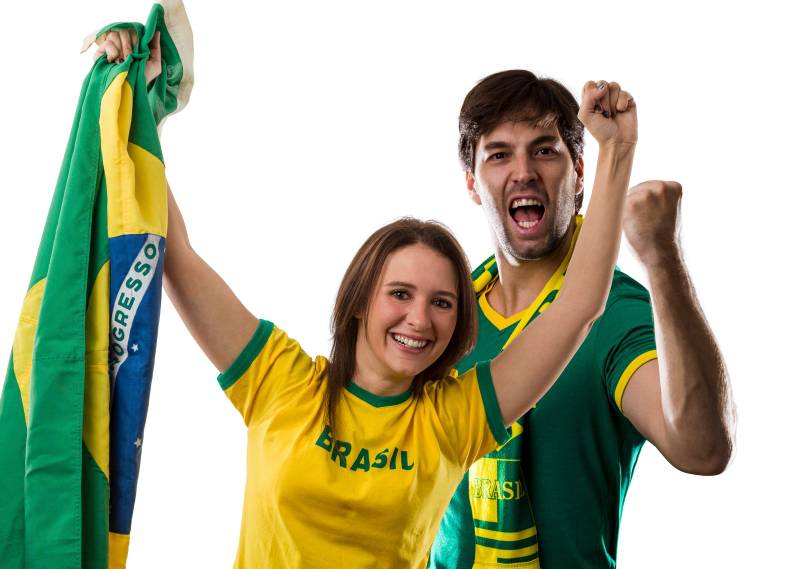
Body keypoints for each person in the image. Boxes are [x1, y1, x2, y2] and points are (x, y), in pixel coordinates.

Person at [95, 34, 637, 567]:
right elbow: (175, 255)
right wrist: (137, 107)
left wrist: (616, 150)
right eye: (400, 294)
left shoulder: (453, 420)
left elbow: (577, 306)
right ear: (359, 301)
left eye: (443, 303)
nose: (419, 319)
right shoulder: (279, 382)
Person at [428, 70, 736, 568]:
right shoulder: (445, 308)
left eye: (545, 151)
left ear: (578, 173)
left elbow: (702, 451)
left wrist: (662, 257)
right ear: (472, 183)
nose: (524, 172)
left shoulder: (615, 312)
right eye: (499, 155)